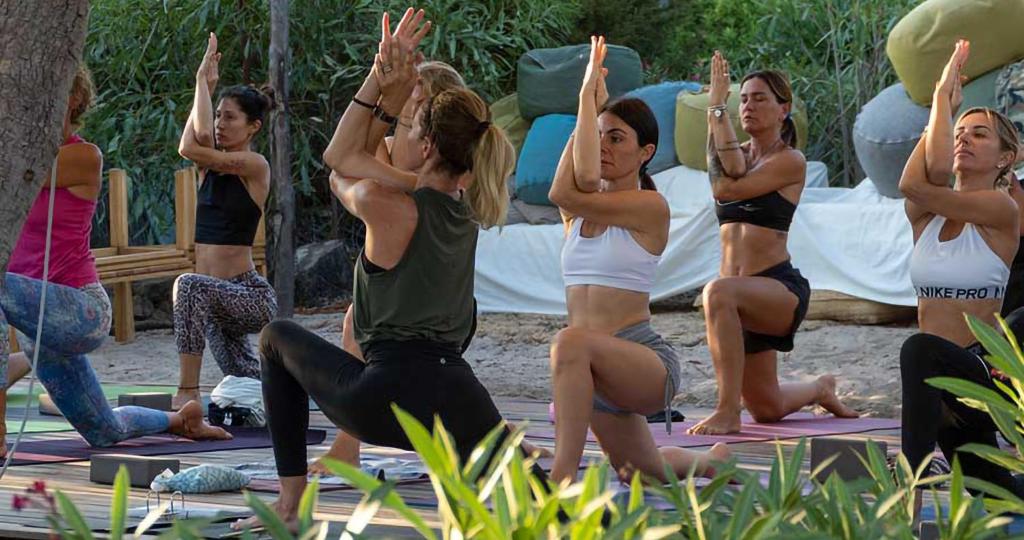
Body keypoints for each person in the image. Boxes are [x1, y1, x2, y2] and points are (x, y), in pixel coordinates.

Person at [234, 9, 538, 528]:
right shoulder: (471, 207)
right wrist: (398, 102)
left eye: (410, 125)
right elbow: (368, 161)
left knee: (275, 338)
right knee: (560, 515)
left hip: (384, 400)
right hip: (459, 394)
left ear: (426, 145)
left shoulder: (388, 203)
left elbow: (339, 160)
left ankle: (288, 509)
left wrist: (381, 82)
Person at [0, 64, 229, 459]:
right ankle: (181, 420)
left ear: (71, 98)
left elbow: (21, 172)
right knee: (105, 430)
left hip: (81, 311)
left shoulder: (83, 156)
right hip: (41, 326)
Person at [546, 36, 730, 484]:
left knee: (569, 341)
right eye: (600, 137)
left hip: (642, 363)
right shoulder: (580, 211)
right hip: (593, 373)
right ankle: (709, 462)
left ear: (645, 152)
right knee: (638, 473)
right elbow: (572, 182)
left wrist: (587, 95)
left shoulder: (650, 208)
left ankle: (561, 479)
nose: (604, 146)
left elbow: (561, 191)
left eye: (617, 138)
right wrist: (588, 107)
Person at [687, 52, 857, 435]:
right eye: (743, 98)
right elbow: (727, 172)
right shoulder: (736, 152)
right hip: (738, 300)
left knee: (717, 293)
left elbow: (725, 185)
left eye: (760, 98)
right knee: (767, 408)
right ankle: (820, 388)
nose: (748, 105)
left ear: (784, 109)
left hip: (776, 290)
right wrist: (715, 106)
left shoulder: (791, 161)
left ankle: (727, 411)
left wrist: (716, 114)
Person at [899, 40, 1024, 496]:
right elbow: (926, 171)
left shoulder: (1000, 207)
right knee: (994, 492)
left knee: (918, 348)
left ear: (1006, 158)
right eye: (959, 133)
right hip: (936, 391)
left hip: (980, 373)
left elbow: (911, 181)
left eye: (979, 135)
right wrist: (943, 108)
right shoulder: (926, 218)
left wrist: (940, 102)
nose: (963, 139)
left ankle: (910, 474)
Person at [173, 33, 277, 409]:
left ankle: (187, 392)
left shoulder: (254, 165)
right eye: (218, 114)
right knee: (244, 378)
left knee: (188, 286)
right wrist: (203, 83)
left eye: (230, 117)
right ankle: (297, 390)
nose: (220, 124)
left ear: (253, 127)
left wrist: (204, 83)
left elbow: (190, 147)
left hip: (248, 295)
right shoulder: (208, 166)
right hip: (214, 301)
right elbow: (197, 138)